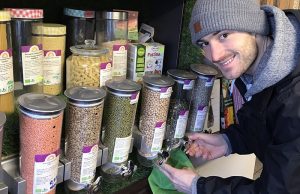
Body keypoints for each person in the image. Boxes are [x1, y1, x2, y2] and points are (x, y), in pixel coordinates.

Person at [158, 0, 300, 193]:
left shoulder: (294, 98)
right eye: (205, 43)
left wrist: (197, 186)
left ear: (252, 27)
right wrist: (229, 141)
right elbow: (271, 125)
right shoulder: (262, 68)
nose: (214, 56)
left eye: (224, 35)